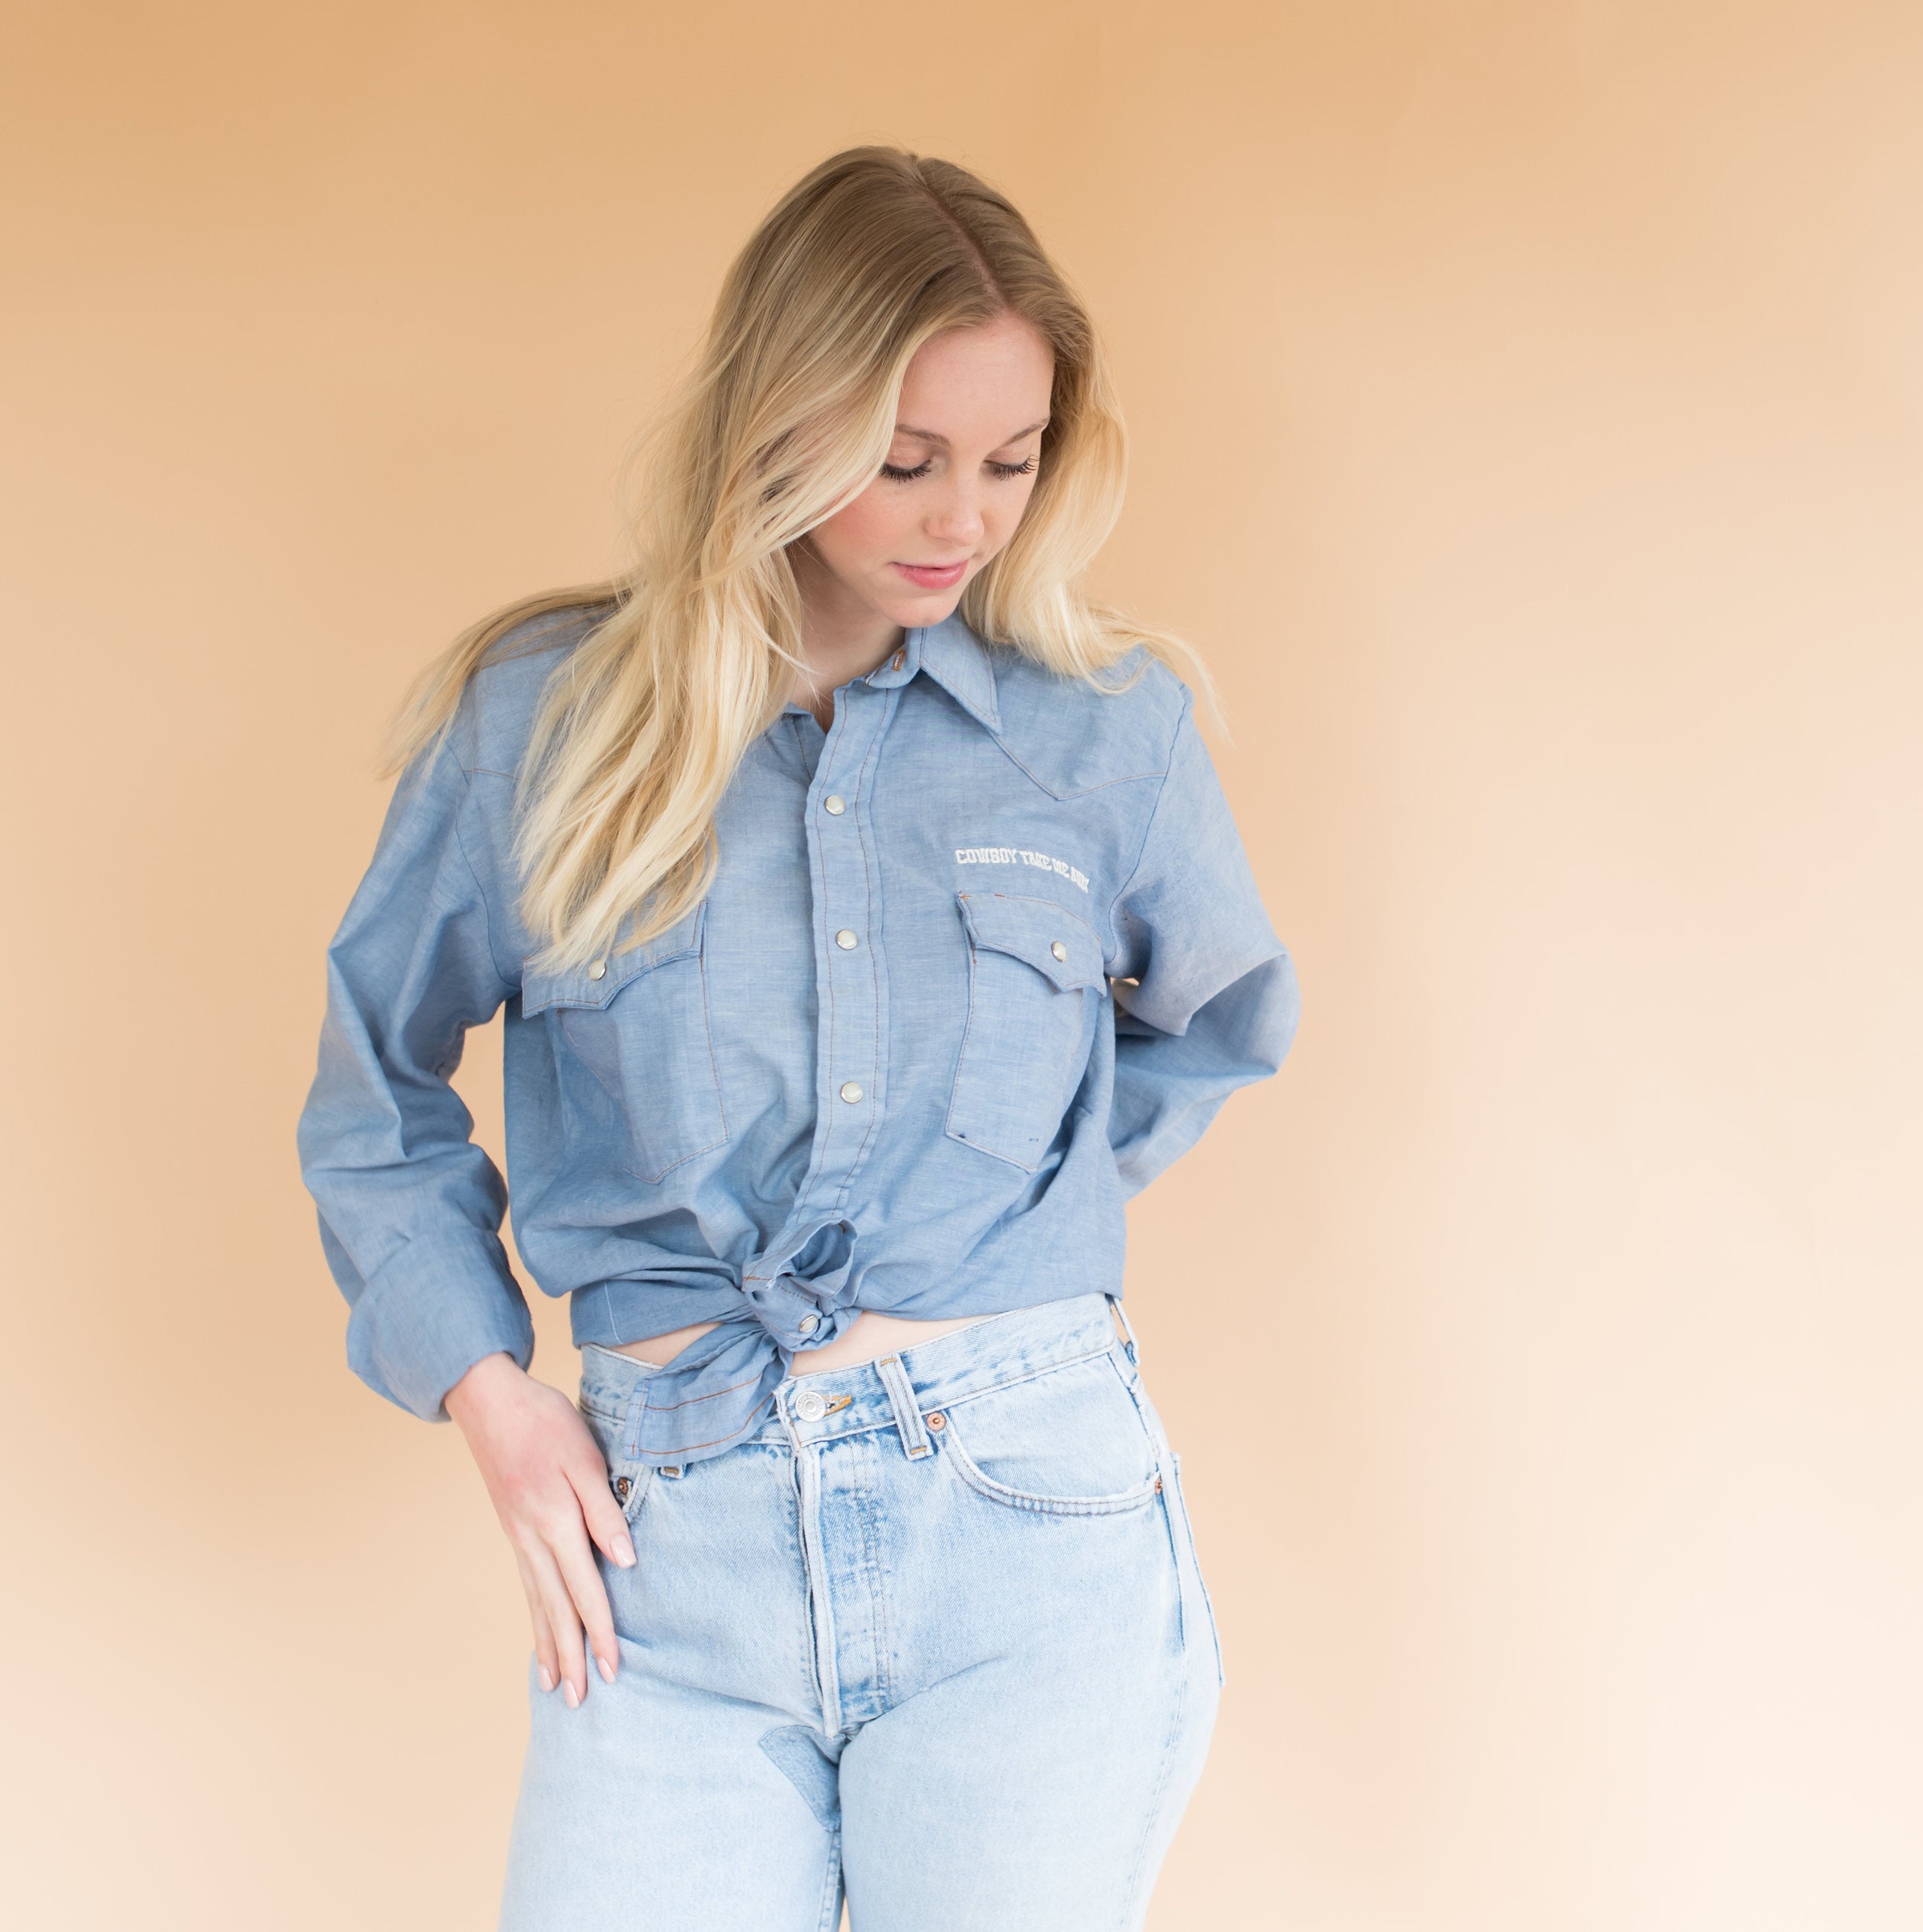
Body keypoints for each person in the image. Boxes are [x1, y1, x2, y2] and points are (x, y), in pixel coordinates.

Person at [295, 145, 1299, 1930]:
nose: (961, 518)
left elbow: (1218, 1022)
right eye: (904, 460)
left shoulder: (1102, 733)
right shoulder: (544, 723)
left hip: (1028, 1529)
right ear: (782, 420)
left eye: (1012, 460)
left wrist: (1005, 1212)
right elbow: (374, 1086)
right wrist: (490, 1390)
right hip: (668, 1555)